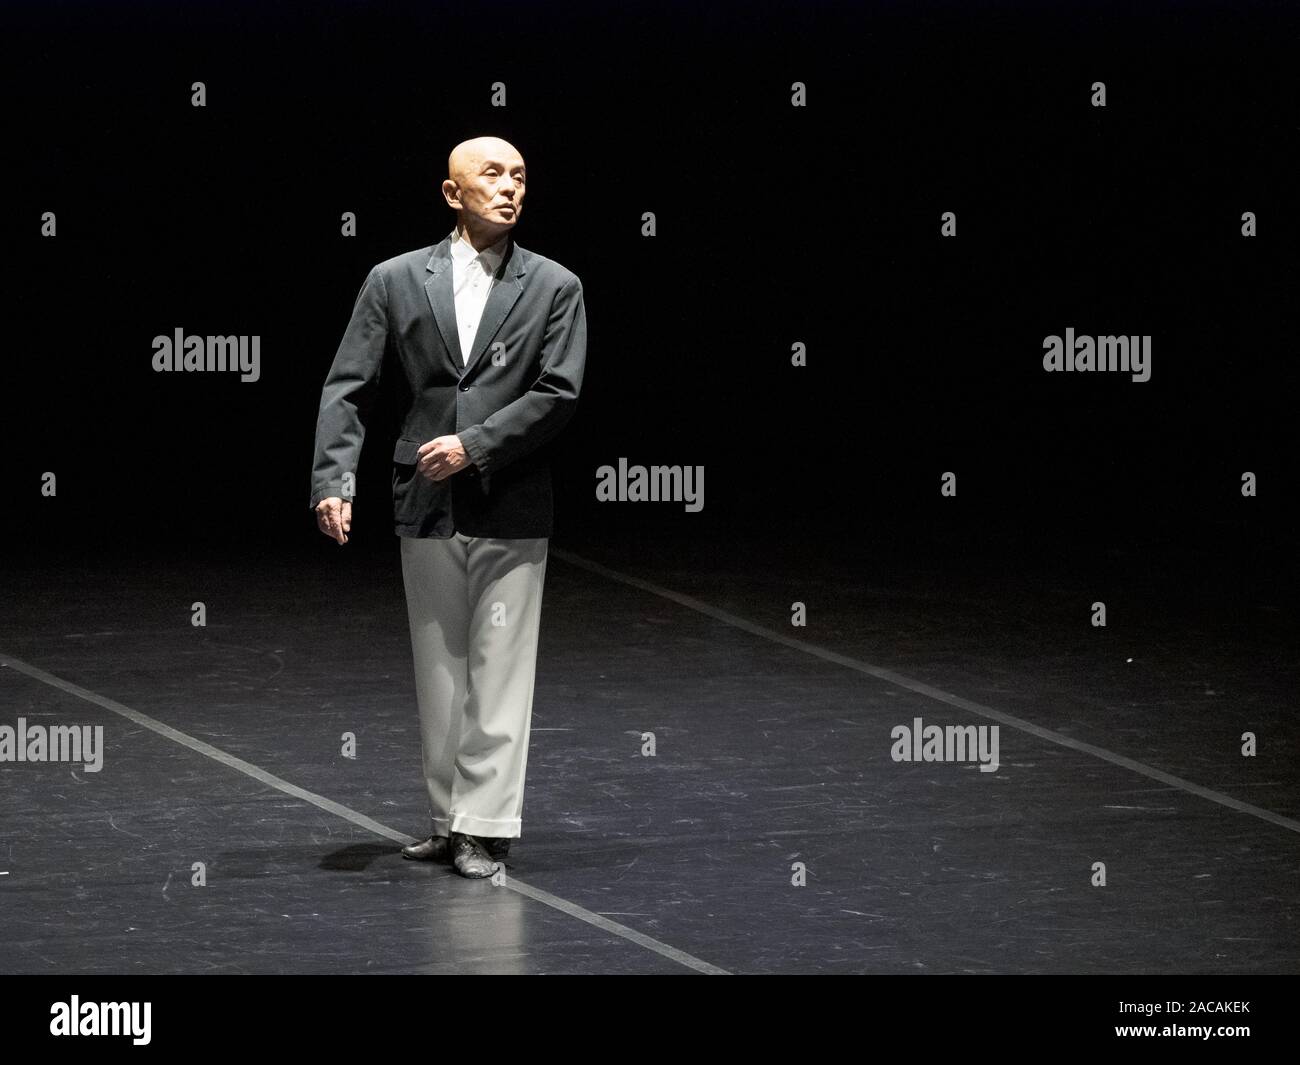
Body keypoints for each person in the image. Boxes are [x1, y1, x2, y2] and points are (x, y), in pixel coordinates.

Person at [309, 136, 587, 878]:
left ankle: (485, 828)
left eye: (521, 175)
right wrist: (333, 478)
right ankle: (447, 818)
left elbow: (559, 391)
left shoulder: (555, 284)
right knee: (441, 668)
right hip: (423, 496)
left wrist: (476, 444)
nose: (510, 187)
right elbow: (348, 384)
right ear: (451, 191)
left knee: (501, 668)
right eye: (492, 174)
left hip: (511, 497)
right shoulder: (396, 278)